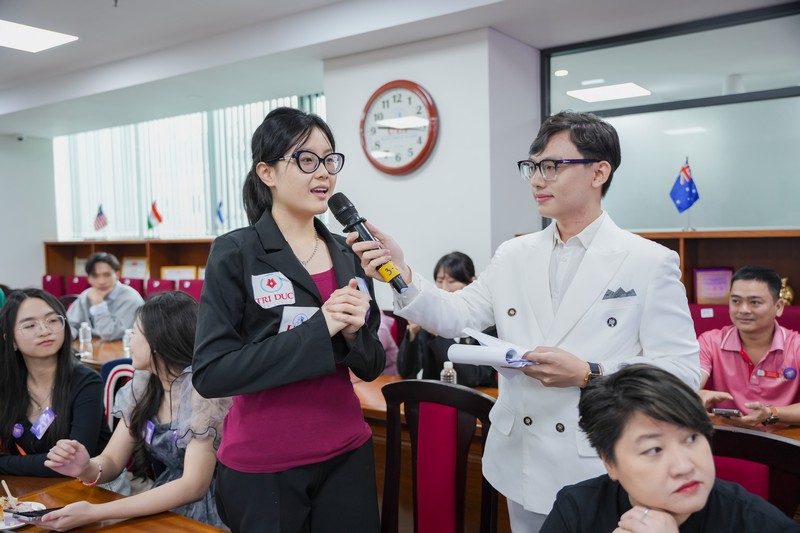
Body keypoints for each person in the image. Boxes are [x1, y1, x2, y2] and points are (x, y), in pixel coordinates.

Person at [348, 110, 700, 531]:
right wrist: (401, 273)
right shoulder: (514, 254)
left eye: (551, 166)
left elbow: (681, 370)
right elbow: (457, 315)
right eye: (531, 167)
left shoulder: (648, 261)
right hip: (522, 458)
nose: (536, 180)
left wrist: (590, 373)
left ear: (599, 172)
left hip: (598, 460)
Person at [192, 107, 385, 532]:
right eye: (306, 159)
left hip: (347, 453)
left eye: (329, 159)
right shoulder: (236, 252)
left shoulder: (349, 252)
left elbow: (371, 365)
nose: (324, 172)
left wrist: (354, 334)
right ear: (267, 173)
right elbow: (211, 373)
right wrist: (321, 327)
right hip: (265, 466)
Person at [42, 291, 231, 530]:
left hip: (211, 510)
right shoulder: (144, 385)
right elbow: (112, 460)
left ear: (159, 342)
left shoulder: (204, 394)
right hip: (163, 500)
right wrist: (86, 467)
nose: (129, 341)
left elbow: (193, 486)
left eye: (135, 333)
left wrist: (95, 513)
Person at [540, 364, 798, 532]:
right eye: (654, 450)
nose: (684, 467)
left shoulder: (758, 523)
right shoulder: (577, 510)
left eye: (691, 438)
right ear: (609, 462)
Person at [0, 288, 109, 476]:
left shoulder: (86, 382)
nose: (44, 331)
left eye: (52, 320)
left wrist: (3, 463)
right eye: (30, 325)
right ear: (10, 339)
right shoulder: (7, 383)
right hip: (32, 487)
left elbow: (74, 464)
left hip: (91, 486)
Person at [698, 264, 800, 430]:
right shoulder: (710, 341)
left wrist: (771, 413)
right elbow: (690, 382)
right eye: (736, 301)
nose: (743, 310)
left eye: (754, 302)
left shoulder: (796, 346)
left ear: (778, 307)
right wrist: (696, 394)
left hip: (783, 438)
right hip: (727, 436)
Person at [397, 251, 497, 387]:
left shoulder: (487, 323)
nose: (444, 288)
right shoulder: (430, 318)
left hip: (475, 397)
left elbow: (472, 378)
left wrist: (439, 332)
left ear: (472, 283)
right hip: (436, 396)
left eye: (451, 281)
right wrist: (412, 332)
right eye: (439, 281)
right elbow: (405, 372)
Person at [66, 252, 144, 341]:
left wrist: (99, 305)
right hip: (93, 346)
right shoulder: (85, 296)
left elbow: (110, 335)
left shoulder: (131, 299)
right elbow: (71, 325)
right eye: (95, 276)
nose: (101, 281)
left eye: (107, 275)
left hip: (122, 347)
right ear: (88, 279)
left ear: (117, 275)